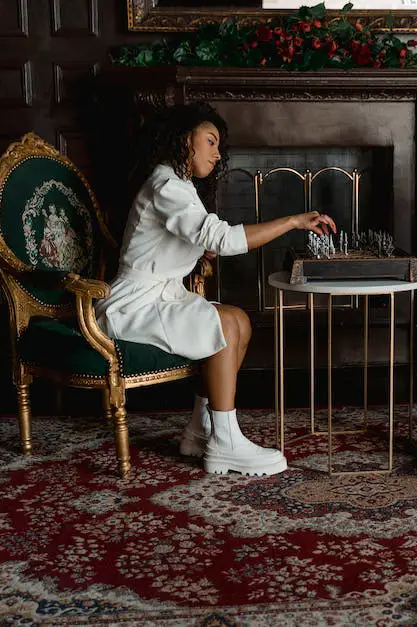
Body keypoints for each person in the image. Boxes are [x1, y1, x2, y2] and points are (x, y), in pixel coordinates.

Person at [95, 102, 336, 477]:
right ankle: (225, 444)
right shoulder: (166, 184)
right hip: (134, 304)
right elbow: (219, 237)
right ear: (182, 140)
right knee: (223, 325)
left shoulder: (181, 185)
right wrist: (292, 220)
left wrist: (201, 246)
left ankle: (200, 429)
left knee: (239, 320)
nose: (217, 152)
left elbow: (195, 236)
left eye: (218, 144)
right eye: (209, 141)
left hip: (163, 295)